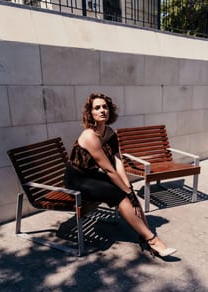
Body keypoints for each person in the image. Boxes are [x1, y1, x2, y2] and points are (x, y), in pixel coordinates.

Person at [64, 93, 176, 258]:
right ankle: (152, 240)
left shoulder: (109, 133)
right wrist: (126, 192)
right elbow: (109, 171)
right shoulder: (89, 136)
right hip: (77, 179)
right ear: (90, 113)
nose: (102, 110)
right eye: (97, 107)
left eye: (105, 107)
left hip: (91, 175)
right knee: (120, 195)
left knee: (128, 191)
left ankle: (145, 234)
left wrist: (128, 187)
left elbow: (117, 162)